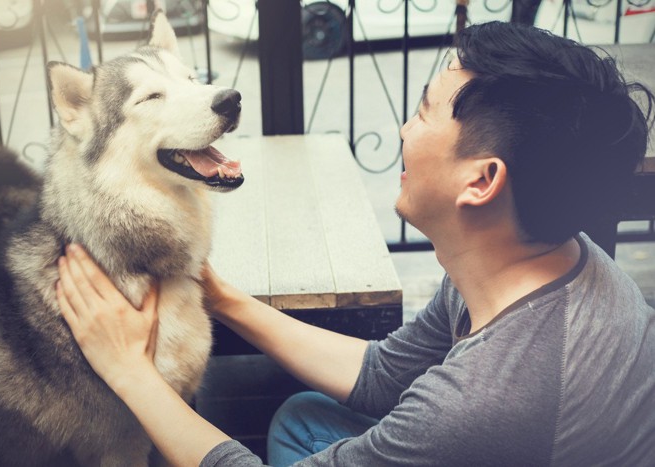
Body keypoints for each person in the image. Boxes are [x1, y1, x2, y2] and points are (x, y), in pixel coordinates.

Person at [56, 21, 655, 466]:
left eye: (423, 113)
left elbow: (453, 413)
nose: (403, 128)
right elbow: (383, 375)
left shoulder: (484, 402)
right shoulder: (533, 256)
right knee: (302, 417)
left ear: (482, 180)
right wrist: (223, 296)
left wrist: (127, 371)